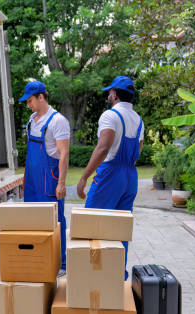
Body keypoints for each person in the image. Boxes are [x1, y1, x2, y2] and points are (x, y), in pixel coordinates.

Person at [76, 76, 144, 279]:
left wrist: (84, 177)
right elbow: (138, 150)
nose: (108, 95)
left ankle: (90, 277)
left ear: (114, 94)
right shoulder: (138, 119)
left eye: (109, 92)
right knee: (119, 230)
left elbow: (103, 147)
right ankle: (115, 277)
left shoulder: (110, 116)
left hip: (111, 174)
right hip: (130, 176)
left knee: (91, 224)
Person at [19, 80, 70, 272]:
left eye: (30, 100)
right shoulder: (33, 119)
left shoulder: (58, 121)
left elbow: (64, 154)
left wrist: (62, 184)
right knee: (33, 219)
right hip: (32, 180)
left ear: (41, 97)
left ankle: (62, 263)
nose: (28, 104)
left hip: (50, 180)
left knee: (56, 221)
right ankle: (39, 260)